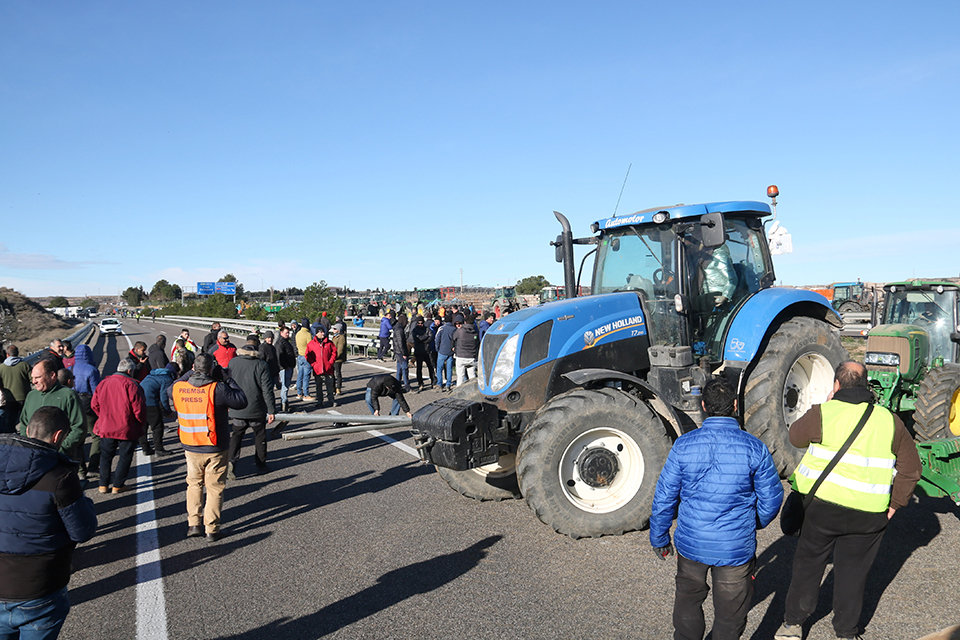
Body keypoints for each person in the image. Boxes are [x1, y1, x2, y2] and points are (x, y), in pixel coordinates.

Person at [774, 362, 922, 640]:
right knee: (853, 572)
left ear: (837, 385)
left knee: (808, 565)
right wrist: (895, 504)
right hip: (868, 514)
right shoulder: (890, 421)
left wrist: (826, 403)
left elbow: (795, 437)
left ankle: (792, 625)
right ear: (866, 384)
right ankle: (846, 632)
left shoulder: (824, 412)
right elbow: (911, 469)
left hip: (821, 509)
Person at [650, 378, 783, 640]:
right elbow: (772, 498)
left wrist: (659, 537)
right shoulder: (755, 448)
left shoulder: (684, 445)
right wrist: (752, 522)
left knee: (688, 600)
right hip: (734, 547)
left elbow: (665, 496)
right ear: (734, 405)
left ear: (703, 406)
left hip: (692, 543)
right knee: (730, 615)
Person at [0, 406, 97, 640]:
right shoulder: (60, 477)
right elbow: (82, 531)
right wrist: (86, 503)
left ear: (27, 429)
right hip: (39, 587)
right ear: (58, 436)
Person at [170, 353, 247, 541]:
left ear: (194, 368)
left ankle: (193, 524)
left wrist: (189, 373)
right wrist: (227, 378)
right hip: (215, 445)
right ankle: (211, 529)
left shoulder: (179, 387)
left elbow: (170, 389)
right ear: (211, 369)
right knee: (214, 487)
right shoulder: (217, 388)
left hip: (190, 444)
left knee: (194, 484)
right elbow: (241, 400)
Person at [91, 357, 146, 493]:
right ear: (129, 371)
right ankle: (118, 484)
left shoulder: (103, 383)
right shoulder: (132, 385)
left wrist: (103, 416)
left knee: (106, 456)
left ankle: (103, 484)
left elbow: (94, 404)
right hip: (126, 427)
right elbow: (138, 409)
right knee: (125, 456)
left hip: (106, 426)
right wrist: (140, 424)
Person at [227, 341, 276, 478]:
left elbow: (227, 385)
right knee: (260, 436)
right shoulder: (261, 365)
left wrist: (228, 404)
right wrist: (271, 410)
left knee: (236, 436)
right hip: (256, 408)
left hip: (237, 407)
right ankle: (261, 464)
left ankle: (231, 461)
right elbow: (267, 390)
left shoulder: (233, 363)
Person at [19, 359, 86, 458]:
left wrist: (61, 450)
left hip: (60, 458)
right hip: (34, 456)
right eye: (32, 378)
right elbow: (24, 424)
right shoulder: (31, 396)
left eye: (38, 377)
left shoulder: (68, 395)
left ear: (52, 375)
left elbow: (79, 428)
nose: (34, 381)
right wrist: (28, 447)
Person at [139, 363, 177, 457]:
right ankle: (159, 449)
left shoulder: (151, 375)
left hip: (140, 402)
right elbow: (164, 398)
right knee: (157, 427)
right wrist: (167, 412)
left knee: (143, 426)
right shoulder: (167, 379)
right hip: (151, 403)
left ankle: (145, 448)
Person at [1, 344, 33, 426]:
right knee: (26, 419)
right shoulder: (24, 365)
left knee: (10, 421)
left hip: (9, 398)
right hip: (25, 397)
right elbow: (32, 379)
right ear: (17, 353)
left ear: (7, 354)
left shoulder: (1, 368)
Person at [305, 326, 337, 408]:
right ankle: (320, 401)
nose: (323, 333)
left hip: (328, 369)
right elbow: (307, 355)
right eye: (321, 332)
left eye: (323, 332)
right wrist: (313, 364)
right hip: (317, 369)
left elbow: (334, 352)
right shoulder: (311, 344)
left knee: (330, 386)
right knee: (318, 387)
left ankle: (331, 400)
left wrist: (330, 362)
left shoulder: (329, 343)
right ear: (316, 333)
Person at [452, 313, 479, 387]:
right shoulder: (475, 332)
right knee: (472, 376)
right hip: (471, 357)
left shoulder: (460, 331)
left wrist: (454, 347)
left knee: (460, 376)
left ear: (465, 322)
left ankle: (458, 391)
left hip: (460, 356)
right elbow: (477, 343)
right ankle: (473, 390)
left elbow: (453, 339)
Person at [275, 325, 297, 413]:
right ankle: (283, 404)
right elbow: (279, 356)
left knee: (286, 386)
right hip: (284, 368)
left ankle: (285, 402)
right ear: (281, 333)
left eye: (288, 333)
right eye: (286, 333)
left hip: (288, 366)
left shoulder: (286, 342)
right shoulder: (280, 343)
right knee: (284, 387)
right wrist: (284, 366)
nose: (288, 334)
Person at [411, 315, 435, 392]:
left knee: (430, 367)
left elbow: (431, 337)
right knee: (419, 368)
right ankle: (420, 383)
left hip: (427, 351)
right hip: (419, 351)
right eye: (419, 323)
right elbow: (418, 338)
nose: (420, 324)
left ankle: (433, 381)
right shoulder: (414, 330)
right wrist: (425, 337)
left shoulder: (427, 329)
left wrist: (424, 340)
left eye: (421, 323)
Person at [435, 314, 456, 392]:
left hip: (442, 350)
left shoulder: (441, 328)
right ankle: (448, 384)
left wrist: (437, 348)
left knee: (439, 368)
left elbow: (437, 339)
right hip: (450, 351)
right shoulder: (454, 329)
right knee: (449, 368)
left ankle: (439, 384)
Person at [295, 317, 313, 401]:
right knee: (306, 376)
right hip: (306, 357)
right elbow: (310, 347)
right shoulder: (308, 334)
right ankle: (306, 394)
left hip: (299, 356)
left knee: (300, 376)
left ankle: (299, 393)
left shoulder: (298, 333)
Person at [392, 313, 411, 392]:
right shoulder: (399, 329)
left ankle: (397, 385)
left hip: (398, 351)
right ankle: (407, 386)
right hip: (400, 352)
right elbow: (400, 343)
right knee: (404, 369)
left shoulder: (397, 328)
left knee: (399, 369)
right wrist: (404, 353)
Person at [330, 325, 347, 396]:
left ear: (338, 330)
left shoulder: (341, 337)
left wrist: (335, 357)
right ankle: (332, 388)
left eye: (335, 329)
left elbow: (340, 349)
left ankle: (338, 388)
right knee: (331, 374)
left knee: (338, 374)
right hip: (333, 357)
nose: (333, 330)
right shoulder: (334, 336)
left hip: (338, 359)